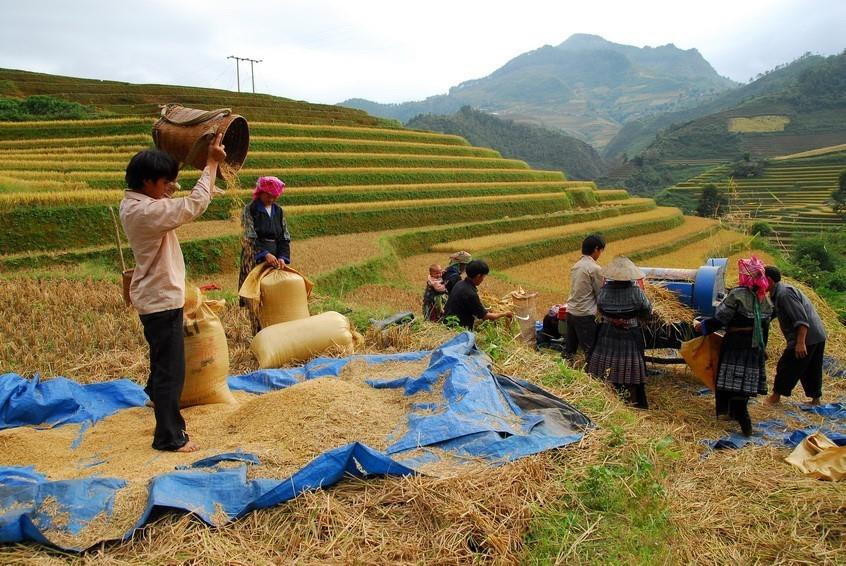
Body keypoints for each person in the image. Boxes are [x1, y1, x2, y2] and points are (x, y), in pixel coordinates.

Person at [120, 134, 226, 452]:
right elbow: (192, 205)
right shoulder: (147, 213)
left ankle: (154, 395)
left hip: (156, 297)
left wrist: (176, 175)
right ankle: (169, 436)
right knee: (172, 369)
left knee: (162, 358)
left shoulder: (137, 201)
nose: (169, 188)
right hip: (160, 300)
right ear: (147, 182)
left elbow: (174, 198)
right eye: (165, 182)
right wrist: (210, 163)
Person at [694, 257, 774, 436]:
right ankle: (735, 412)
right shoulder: (765, 299)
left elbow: (721, 318)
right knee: (745, 382)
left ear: (745, 276)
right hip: (754, 346)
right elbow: (765, 327)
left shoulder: (737, 294)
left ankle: (742, 418)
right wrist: (763, 348)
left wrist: (703, 327)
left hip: (736, 343)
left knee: (731, 379)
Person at [586, 257, 653, 408]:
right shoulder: (636, 292)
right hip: (629, 335)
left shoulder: (604, 291)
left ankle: (607, 401)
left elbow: (601, 308)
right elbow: (648, 311)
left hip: (607, 334)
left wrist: (614, 319)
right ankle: (631, 404)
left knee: (605, 367)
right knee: (631, 371)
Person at [763, 266, 826, 406]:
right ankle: (816, 399)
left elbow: (801, 320)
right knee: (811, 368)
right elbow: (769, 315)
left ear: (768, 280)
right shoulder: (776, 294)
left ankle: (776, 396)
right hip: (817, 335)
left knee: (786, 365)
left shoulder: (784, 294)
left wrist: (800, 343)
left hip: (806, 336)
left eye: (760, 279)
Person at [564, 234, 605, 360]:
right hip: (585, 315)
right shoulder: (595, 268)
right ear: (596, 249)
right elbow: (601, 293)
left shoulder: (576, 266)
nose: (600, 254)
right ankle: (591, 376)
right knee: (590, 351)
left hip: (571, 312)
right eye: (600, 251)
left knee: (570, 349)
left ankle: (564, 371)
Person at [443, 260, 513, 330]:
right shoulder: (470, 293)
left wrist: (485, 309)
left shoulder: (460, 283)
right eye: (483, 276)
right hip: (458, 328)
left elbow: (471, 306)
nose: (483, 279)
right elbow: (486, 316)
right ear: (478, 276)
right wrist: (505, 314)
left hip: (447, 321)